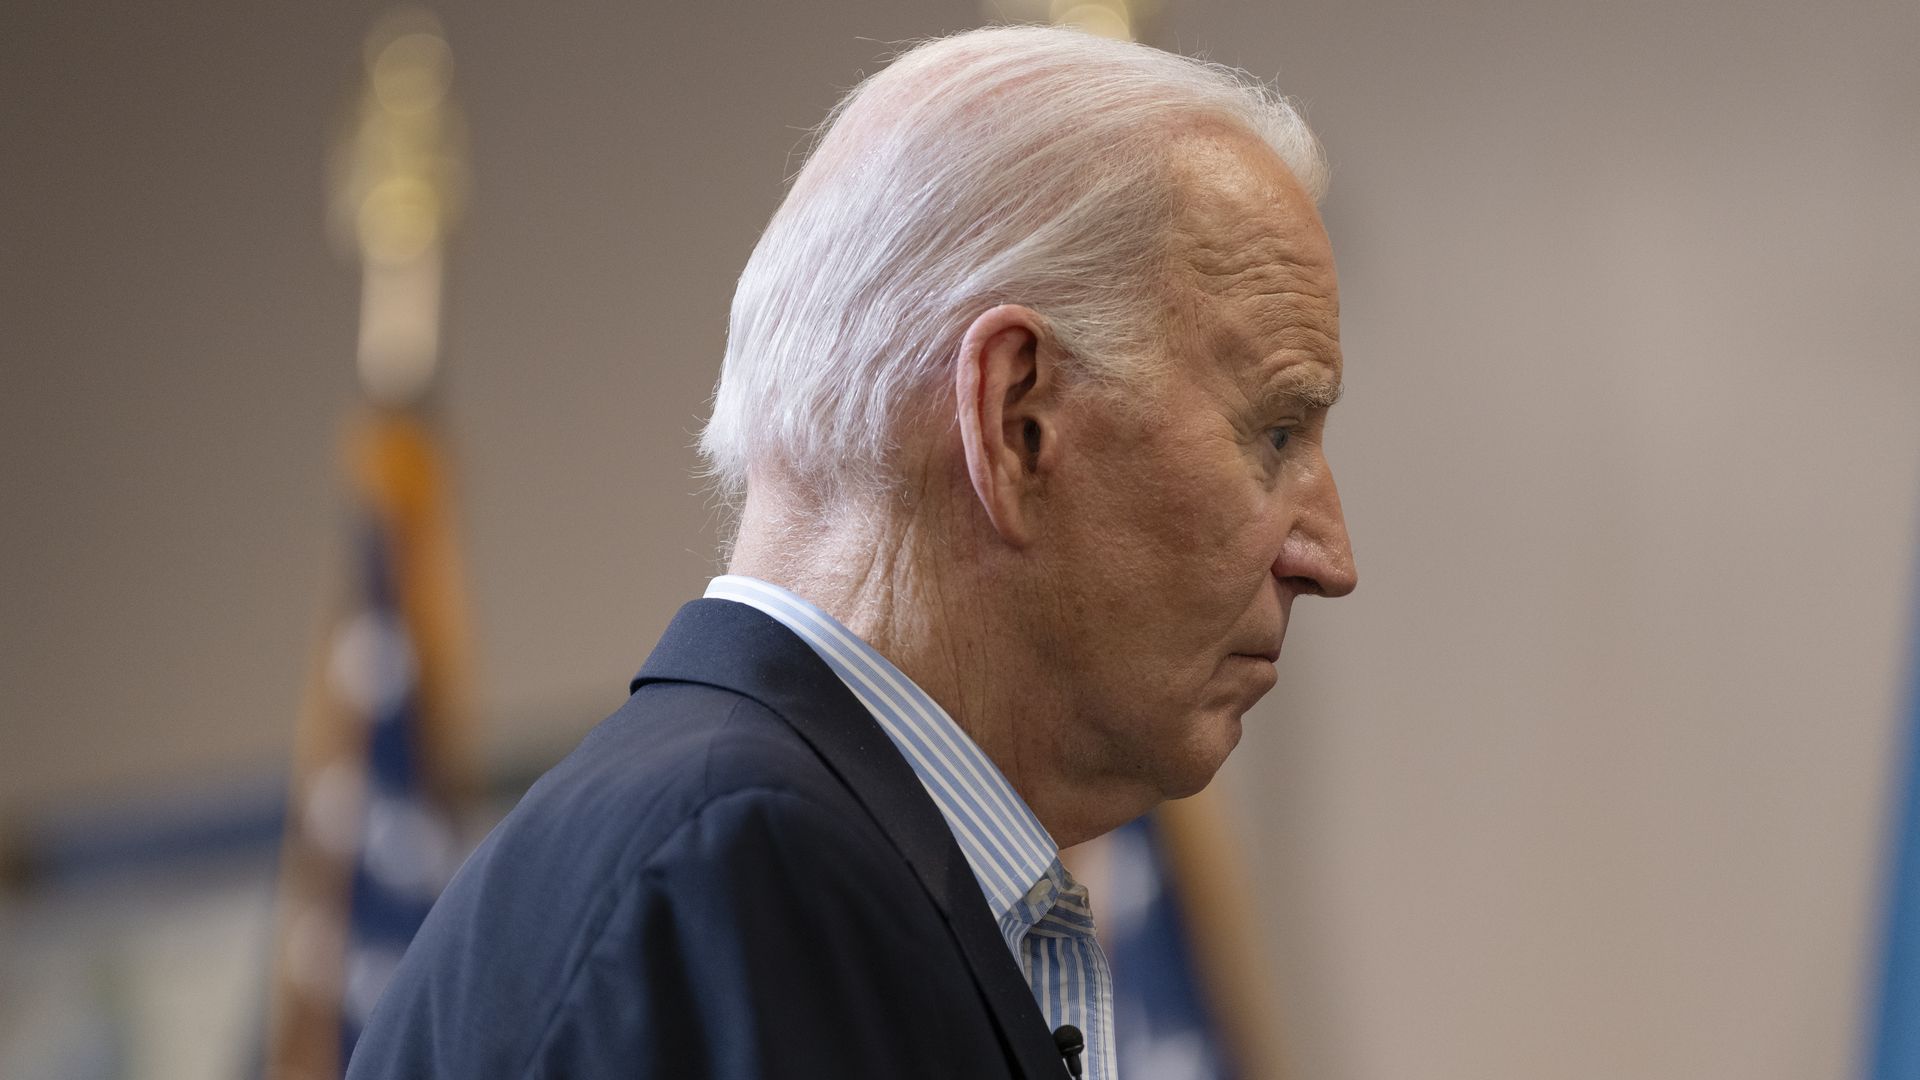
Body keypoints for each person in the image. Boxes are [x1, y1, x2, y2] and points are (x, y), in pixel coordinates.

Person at [347, 23, 1356, 1080]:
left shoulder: (759, 860)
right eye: (1274, 434)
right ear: (1019, 422)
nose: (1330, 554)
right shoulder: (744, 881)